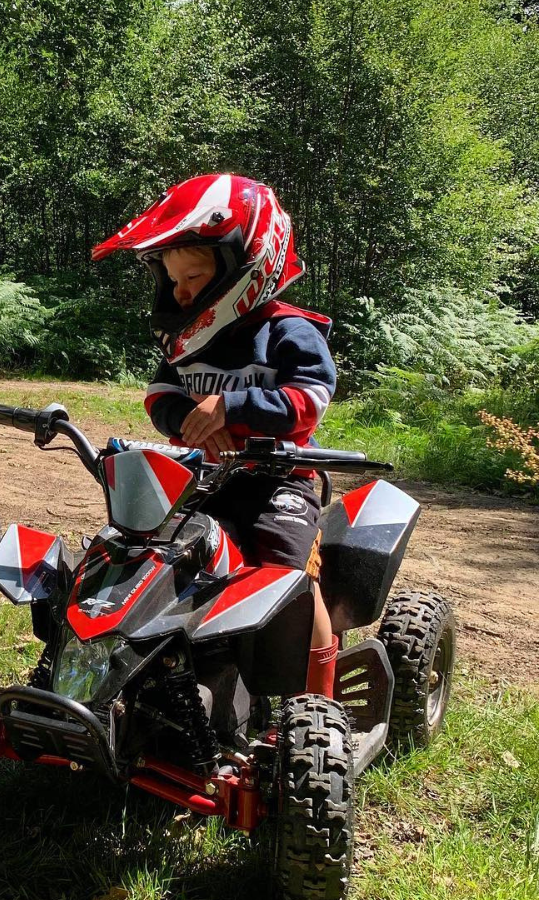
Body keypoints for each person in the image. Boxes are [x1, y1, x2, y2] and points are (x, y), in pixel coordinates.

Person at [91, 173, 340, 697]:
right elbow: (159, 397)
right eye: (171, 279)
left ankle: (318, 700)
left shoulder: (288, 330)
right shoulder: (188, 343)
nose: (179, 291)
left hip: (281, 483)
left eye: (193, 277)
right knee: (156, 557)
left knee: (287, 575)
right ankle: (167, 674)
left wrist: (231, 407)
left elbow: (309, 402)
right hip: (206, 480)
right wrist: (185, 420)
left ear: (246, 265)